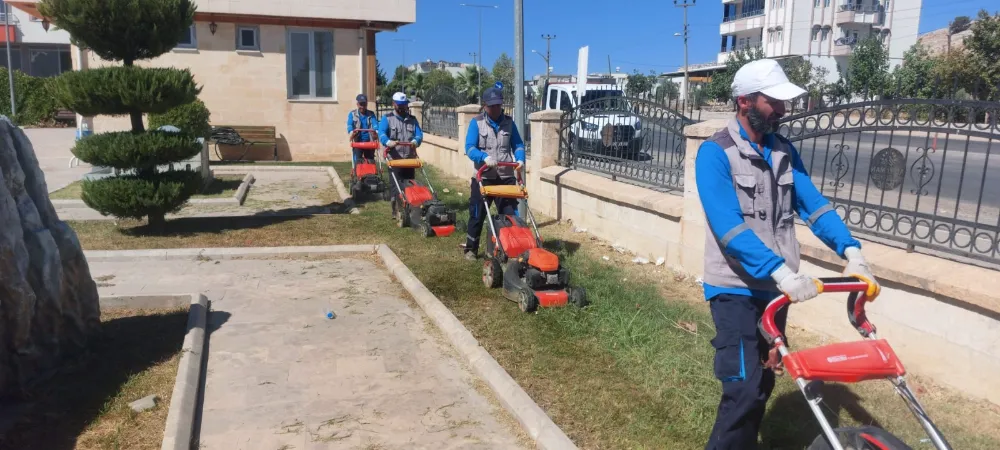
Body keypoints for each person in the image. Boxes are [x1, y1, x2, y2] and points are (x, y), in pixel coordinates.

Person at [695, 58, 882, 450]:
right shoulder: (715, 154)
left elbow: (814, 207)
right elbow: (729, 229)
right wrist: (781, 272)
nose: (783, 109)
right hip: (734, 288)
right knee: (742, 388)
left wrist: (852, 252)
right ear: (744, 101)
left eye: (784, 101)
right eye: (773, 102)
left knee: (763, 382)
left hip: (777, 290)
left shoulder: (784, 152)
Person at [461, 87, 526, 261]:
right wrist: (484, 157)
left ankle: (511, 249)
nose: (495, 109)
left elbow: (518, 145)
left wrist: (520, 159)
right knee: (477, 213)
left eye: (498, 105)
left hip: (505, 176)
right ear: (485, 106)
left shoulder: (509, 123)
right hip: (483, 177)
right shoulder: (476, 123)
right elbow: (469, 148)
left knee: (510, 214)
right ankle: (471, 248)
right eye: (492, 106)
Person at [378, 92, 423, 211]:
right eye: (400, 105)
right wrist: (388, 142)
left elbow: (419, 134)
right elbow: (381, 133)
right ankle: (396, 209)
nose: (402, 107)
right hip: (394, 158)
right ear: (394, 104)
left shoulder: (412, 120)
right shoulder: (387, 118)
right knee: (396, 185)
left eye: (404, 104)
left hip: (409, 158)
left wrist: (416, 141)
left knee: (410, 183)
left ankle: (412, 206)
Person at [347, 94, 379, 163]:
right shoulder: (352, 114)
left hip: (369, 142)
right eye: (361, 104)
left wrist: (376, 131)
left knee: (370, 161)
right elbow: (349, 125)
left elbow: (375, 124)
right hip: (358, 142)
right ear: (357, 104)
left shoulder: (371, 114)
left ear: (366, 104)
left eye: (364, 104)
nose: (362, 107)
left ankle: (370, 169)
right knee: (357, 161)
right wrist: (351, 132)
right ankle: (357, 168)